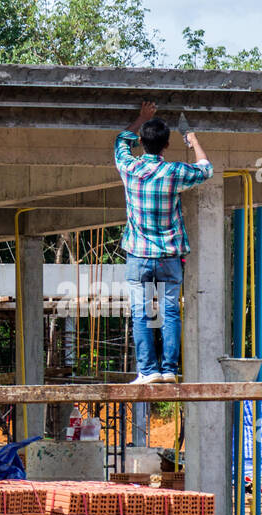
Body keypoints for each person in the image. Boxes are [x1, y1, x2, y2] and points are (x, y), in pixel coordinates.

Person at [115, 100, 212, 385]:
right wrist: (193, 141)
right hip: (170, 257)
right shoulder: (173, 173)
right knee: (170, 312)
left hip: (139, 255)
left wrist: (142, 118)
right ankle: (168, 369)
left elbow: (121, 140)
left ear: (141, 143)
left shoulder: (130, 168)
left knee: (141, 313)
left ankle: (148, 370)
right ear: (167, 145)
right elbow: (206, 169)